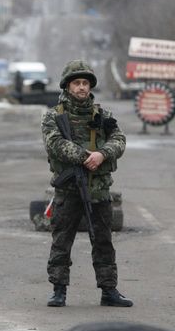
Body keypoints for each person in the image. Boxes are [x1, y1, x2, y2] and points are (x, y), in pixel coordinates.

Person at [41, 59, 132, 308]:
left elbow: (120, 139)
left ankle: (109, 290)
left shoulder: (103, 115)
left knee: (103, 241)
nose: (81, 87)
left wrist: (102, 155)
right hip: (68, 190)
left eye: (85, 83)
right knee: (62, 241)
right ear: (67, 86)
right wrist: (86, 157)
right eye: (76, 83)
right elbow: (55, 144)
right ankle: (58, 290)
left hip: (99, 188)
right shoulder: (54, 116)